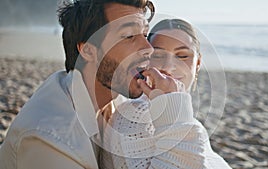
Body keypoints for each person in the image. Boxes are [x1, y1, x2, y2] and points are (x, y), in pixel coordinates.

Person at [0, 0, 159, 168]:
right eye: (128, 36)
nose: (148, 48)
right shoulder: (49, 140)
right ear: (88, 51)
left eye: (145, 35)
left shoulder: (114, 104)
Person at [103, 19, 232, 168]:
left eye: (182, 56)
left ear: (197, 64)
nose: (168, 67)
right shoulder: (135, 116)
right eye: (157, 56)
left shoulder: (185, 118)